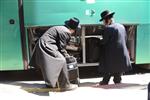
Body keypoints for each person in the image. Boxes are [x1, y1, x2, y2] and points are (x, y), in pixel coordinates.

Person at [29, 17, 80, 90]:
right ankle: (65, 86)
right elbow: (62, 49)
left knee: (49, 65)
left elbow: (59, 46)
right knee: (62, 61)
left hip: (44, 44)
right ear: (73, 30)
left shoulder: (61, 28)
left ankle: (51, 83)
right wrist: (68, 57)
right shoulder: (66, 32)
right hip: (46, 45)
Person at [98, 10, 132, 85]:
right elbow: (125, 39)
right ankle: (117, 79)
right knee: (117, 68)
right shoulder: (121, 26)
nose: (103, 23)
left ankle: (105, 81)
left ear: (107, 20)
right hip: (122, 53)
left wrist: (99, 41)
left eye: (103, 20)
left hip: (112, 55)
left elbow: (104, 42)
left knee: (108, 64)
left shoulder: (108, 28)